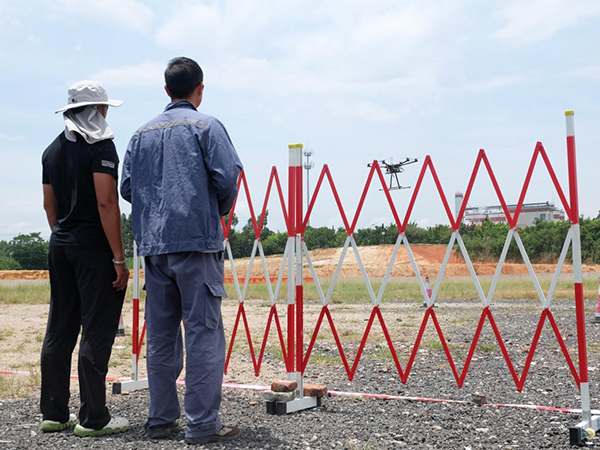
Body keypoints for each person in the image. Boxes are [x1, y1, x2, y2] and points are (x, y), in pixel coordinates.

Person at [121, 57, 243, 444]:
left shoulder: (140, 135)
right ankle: (204, 424)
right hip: (196, 243)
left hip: (154, 249)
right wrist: (212, 210)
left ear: (166, 90)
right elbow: (227, 178)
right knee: (203, 333)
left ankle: (160, 419)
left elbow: (127, 188)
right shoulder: (207, 126)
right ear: (199, 89)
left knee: (160, 335)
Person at [40, 80, 130, 437]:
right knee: (97, 327)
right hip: (93, 248)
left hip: (60, 244)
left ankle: (53, 413)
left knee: (59, 328)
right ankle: (94, 418)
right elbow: (107, 202)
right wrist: (119, 257)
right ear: (98, 109)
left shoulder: (51, 150)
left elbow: (50, 205)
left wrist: (64, 234)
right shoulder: (101, 146)